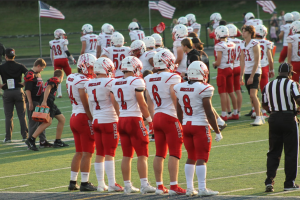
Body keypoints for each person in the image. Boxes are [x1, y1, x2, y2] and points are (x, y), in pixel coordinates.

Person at [174, 61, 223, 197]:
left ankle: (190, 188)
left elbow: (179, 111)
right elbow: (209, 112)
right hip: (200, 126)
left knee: (191, 157)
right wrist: (217, 131)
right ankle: (202, 188)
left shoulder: (179, 87)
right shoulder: (204, 88)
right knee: (201, 158)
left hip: (187, 125)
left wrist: (183, 123)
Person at [110, 56, 156, 194]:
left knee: (126, 155)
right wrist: (149, 119)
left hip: (122, 119)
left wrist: (120, 115)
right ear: (135, 68)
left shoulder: (115, 82)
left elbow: (114, 102)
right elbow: (142, 103)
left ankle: (127, 185)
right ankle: (144, 184)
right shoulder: (137, 81)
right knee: (142, 154)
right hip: (134, 120)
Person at [144, 50, 186, 195]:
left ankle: (159, 186)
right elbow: (175, 98)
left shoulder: (148, 78)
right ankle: (174, 186)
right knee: (174, 152)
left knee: (159, 153)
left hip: (157, 117)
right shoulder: (173, 77)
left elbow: (149, 101)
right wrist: (181, 119)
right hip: (170, 117)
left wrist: (151, 119)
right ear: (168, 62)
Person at [84, 57, 123, 192]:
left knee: (99, 152)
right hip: (109, 120)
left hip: (96, 120)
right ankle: (112, 183)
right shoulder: (111, 82)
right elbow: (114, 101)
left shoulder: (89, 83)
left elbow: (89, 103)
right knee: (110, 153)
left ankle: (101, 184)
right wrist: (120, 116)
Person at [262, 63, 300, 192]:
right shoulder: (292, 84)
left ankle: (269, 181)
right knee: (291, 151)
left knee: (273, 151)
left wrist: (274, 111)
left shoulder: (268, 85)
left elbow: (265, 104)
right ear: (289, 73)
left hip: (273, 119)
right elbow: (298, 99)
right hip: (289, 118)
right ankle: (289, 183)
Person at [66, 53, 97, 191]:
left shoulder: (71, 76)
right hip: (83, 117)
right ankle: (85, 182)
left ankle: (73, 182)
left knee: (79, 152)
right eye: (91, 68)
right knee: (88, 153)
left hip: (73, 116)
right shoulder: (83, 81)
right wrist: (92, 119)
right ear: (84, 67)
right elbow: (85, 104)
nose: (92, 71)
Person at [25, 69, 68, 151]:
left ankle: (58, 141)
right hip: (48, 101)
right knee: (47, 122)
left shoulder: (52, 80)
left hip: (50, 101)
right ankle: (31, 139)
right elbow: (48, 88)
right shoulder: (55, 79)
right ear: (61, 77)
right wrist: (44, 101)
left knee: (62, 119)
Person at [0, 48, 28, 143]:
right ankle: (25, 136)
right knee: (22, 115)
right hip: (18, 91)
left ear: (6, 56)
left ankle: (8, 138)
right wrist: (24, 83)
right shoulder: (20, 66)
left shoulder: (2, 67)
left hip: (7, 92)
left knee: (8, 116)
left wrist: (0, 86)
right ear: (14, 56)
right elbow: (30, 74)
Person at [24, 58, 52, 148]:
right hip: (33, 101)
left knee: (42, 121)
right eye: (42, 68)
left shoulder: (37, 74)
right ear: (38, 65)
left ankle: (43, 141)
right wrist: (30, 102)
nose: (42, 70)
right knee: (33, 123)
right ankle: (30, 143)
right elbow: (27, 90)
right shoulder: (30, 74)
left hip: (39, 101)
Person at [213, 26, 238, 121]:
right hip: (230, 68)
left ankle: (224, 115)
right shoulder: (232, 44)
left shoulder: (219, 45)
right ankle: (235, 113)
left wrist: (214, 64)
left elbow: (218, 62)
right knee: (231, 92)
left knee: (222, 93)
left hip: (222, 70)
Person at [240, 25, 263, 126]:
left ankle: (258, 117)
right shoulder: (242, 43)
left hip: (255, 71)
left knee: (253, 95)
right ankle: (260, 115)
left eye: (244, 31)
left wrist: (252, 76)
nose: (242, 33)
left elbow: (257, 61)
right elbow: (241, 60)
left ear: (250, 32)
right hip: (247, 72)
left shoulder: (255, 43)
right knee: (252, 96)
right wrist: (241, 75)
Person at [255, 25, 275, 118]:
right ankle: (264, 111)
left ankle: (255, 110)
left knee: (254, 90)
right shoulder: (267, 42)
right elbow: (270, 59)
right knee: (265, 91)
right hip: (264, 67)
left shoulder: (252, 42)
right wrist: (272, 69)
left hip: (254, 68)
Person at [49, 29, 76, 98]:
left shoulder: (51, 42)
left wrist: (53, 63)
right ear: (60, 35)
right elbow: (66, 51)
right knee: (69, 76)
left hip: (56, 60)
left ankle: (59, 93)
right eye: (63, 34)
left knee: (57, 77)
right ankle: (71, 92)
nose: (64, 36)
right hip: (64, 60)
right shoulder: (63, 41)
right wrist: (72, 59)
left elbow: (51, 55)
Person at [227, 24, 243, 115]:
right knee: (238, 90)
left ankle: (232, 111)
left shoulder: (227, 42)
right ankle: (239, 111)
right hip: (239, 66)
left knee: (230, 91)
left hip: (231, 67)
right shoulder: (240, 41)